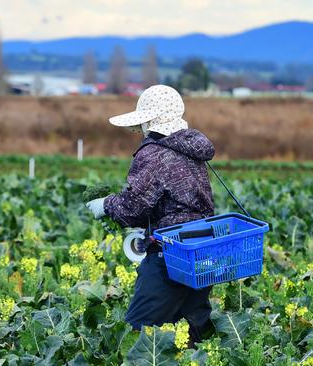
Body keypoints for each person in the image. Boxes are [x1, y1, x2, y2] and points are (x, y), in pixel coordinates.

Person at [86, 85, 216, 346]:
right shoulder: (191, 149)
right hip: (202, 250)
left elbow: (134, 206)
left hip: (170, 254)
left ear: (149, 122)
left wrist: (106, 205)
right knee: (193, 334)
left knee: (137, 335)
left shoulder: (154, 152)